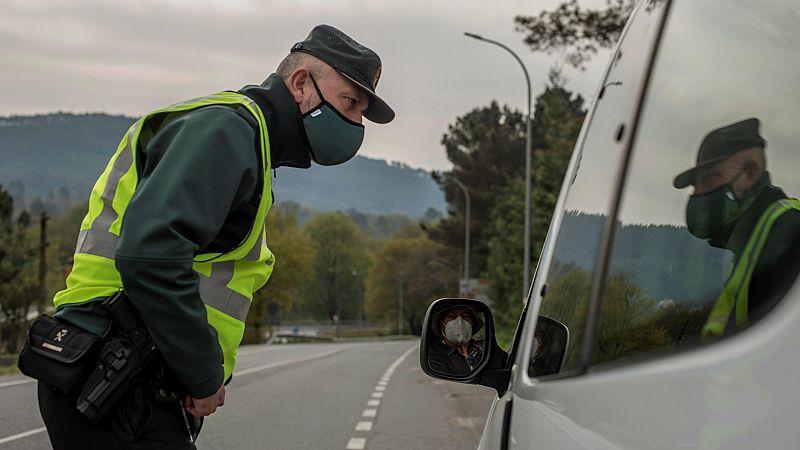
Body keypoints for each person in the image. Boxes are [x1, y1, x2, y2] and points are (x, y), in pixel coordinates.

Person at [37, 24, 394, 449]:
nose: (355, 123)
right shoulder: (226, 132)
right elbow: (152, 258)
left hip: (131, 367)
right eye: (350, 102)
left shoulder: (250, 142)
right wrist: (203, 372)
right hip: (112, 369)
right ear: (301, 84)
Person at [673, 118, 800, 337]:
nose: (699, 193)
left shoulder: (787, 235)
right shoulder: (753, 241)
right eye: (695, 186)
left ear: (750, 173)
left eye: (709, 178)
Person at [427, 306, 485, 376]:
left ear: (472, 324)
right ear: (441, 326)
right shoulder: (433, 355)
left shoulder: (480, 349)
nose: (460, 322)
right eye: (452, 316)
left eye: (465, 316)